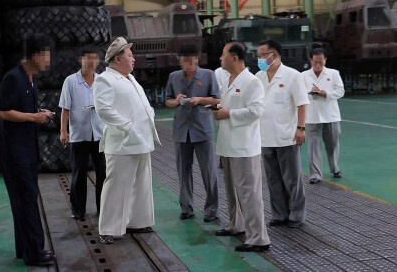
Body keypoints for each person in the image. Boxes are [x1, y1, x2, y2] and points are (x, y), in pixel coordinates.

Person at [0, 34, 56, 266]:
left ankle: (24, 249)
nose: (49, 60)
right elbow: (2, 112)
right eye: (47, 54)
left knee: (24, 201)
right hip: (14, 153)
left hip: (28, 150)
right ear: (35, 55)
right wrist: (33, 116)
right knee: (28, 200)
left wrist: (38, 112)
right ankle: (35, 253)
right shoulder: (13, 78)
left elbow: (21, 108)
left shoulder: (31, 79)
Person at [93, 37, 160, 244]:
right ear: (117, 59)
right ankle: (108, 228)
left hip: (141, 140)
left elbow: (141, 103)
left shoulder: (130, 78)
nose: (134, 59)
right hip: (123, 142)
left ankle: (137, 222)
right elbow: (104, 110)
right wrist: (128, 127)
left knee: (141, 184)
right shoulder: (105, 79)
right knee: (117, 185)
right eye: (130, 55)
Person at [213, 41, 270, 253]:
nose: (220, 58)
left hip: (245, 146)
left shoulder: (252, 82)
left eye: (223, 54)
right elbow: (231, 108)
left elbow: (256, 111)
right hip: (228, 143)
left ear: (234, 58)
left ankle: (258, 237)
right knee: (232, 190)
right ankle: (236, 224)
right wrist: (220, 111)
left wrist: (229, 114)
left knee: (249, 192)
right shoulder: (229, 79)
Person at [256, 40, 309, 229]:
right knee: (273, 179)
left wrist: (300, 128)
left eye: (263, 55)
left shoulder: (292, 76)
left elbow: (302, 103)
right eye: (258, 55)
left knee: (292, 179)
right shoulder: (259, 77)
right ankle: (279, 214)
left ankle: (296, 215)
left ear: (274, 55)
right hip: (265, 136)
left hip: (287, 136)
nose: (260, 59)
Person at [165, 44, 220, 222]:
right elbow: (167, 101)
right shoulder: (173, 77)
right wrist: (176, 100)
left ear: (197, 59)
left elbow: (217, 99)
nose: (188, 64)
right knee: (183, 171)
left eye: (191, 60)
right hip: (182, 130)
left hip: (202, 130)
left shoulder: (208, 75)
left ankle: (211, 210)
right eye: (184, 60)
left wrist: (200, 100)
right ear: (179, 60)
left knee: (208, 171)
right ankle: (186, 207)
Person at [59, 47, 106, 220]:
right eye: (89, 58)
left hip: (100, 134)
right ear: (81, 59)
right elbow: (65, 108)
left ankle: (103, 209)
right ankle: (78, 210)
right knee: (79, 174)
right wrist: (64, 131)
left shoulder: (102, 81)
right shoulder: (71, 81)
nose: (93, 62)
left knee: (103, 174)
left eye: (96, 58)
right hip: (79, 134)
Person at [302, 48, 345, 184]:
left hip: (331, 115)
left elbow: (340, 91)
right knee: (313, 146)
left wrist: (327, 94)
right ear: (310, 61)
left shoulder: (333, 73)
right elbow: (299, 93)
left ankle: (334, 168)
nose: (318, 65)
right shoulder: (302, 76)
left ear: (325, 60)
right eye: (315, 62)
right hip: (311, 116)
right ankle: (315, 175)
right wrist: (310, 91)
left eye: (321, 62)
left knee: (332, 144)